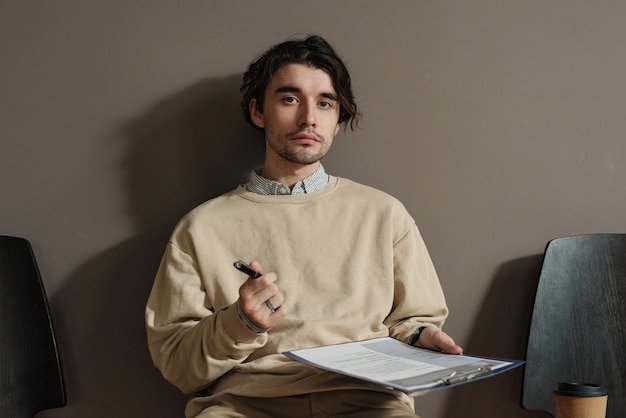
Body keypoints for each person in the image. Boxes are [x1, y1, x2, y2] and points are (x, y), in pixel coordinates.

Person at [145, 35, 462, 418]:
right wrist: (239, 322)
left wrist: (420, 337)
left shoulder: (385, 214)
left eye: (325, 103)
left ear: (337, 121)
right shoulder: (200, 228)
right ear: (258, 112)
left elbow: (414, 322)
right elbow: (178, 367)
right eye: (290, 99)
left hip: (369, 402)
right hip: (246, 405)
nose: (309, 117)